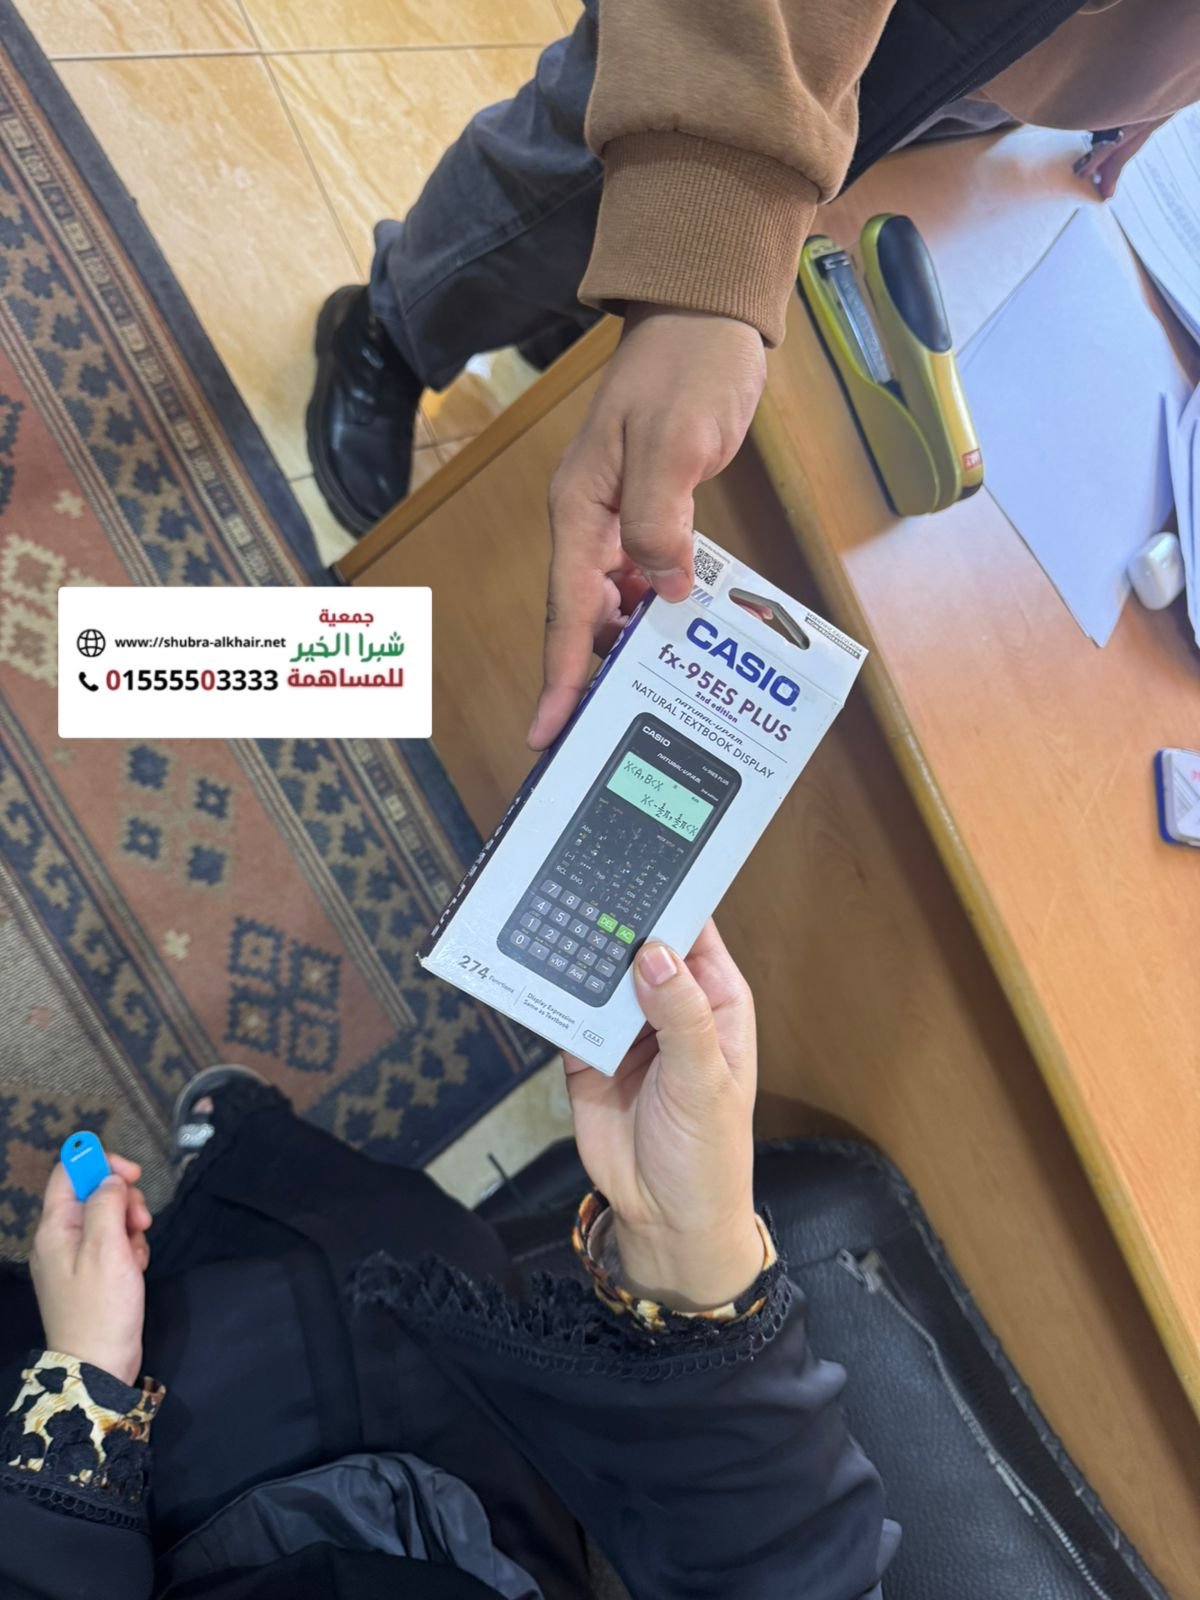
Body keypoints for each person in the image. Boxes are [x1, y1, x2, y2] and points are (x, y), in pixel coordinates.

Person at [305, 0, 1200, 742]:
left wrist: (1161, 83)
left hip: (1009, 74)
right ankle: (391, 322)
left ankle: (577, 305)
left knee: (636, 260)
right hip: (777, 22)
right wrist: (711, 241)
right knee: (573, 177)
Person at [0, 924, 897, 1599]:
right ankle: (241, 1150)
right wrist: (690, 1238)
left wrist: (80, 1392)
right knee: (410, 1238)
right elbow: (798, 1572)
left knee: (189, 1323)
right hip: (467, 1539)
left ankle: (228, 1165)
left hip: (156, 1543)